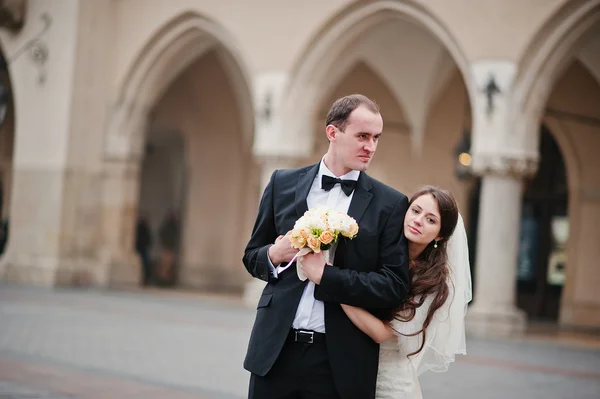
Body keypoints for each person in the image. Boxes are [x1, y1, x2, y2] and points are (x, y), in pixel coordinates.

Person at [243, 94, 411, 399]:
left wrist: (327, 277)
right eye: (362, 136)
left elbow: (393, 286)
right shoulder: (282, 183)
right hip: (275, 353)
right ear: (333, 132)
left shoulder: (391, 204)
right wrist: (274, 254)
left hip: (340, 362)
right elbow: (251, 256)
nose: (370, 146)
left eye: (376, 138)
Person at [317, 186, 472, 398]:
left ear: (440, 236)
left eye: (431, 220)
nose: (418, 220)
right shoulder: (378, 254)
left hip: (390, 384)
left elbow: (381, 333)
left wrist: (329, 283)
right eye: (415, 211)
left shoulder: (435, 282)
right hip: (350, 371)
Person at [135, 215, 153, 286]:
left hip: (144, 248)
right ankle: (144, 279)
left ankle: (145, 279)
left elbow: (148, 238)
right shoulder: (141, 228)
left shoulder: (145, 228)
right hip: (141, 248)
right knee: (144, 264)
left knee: (145, 264)